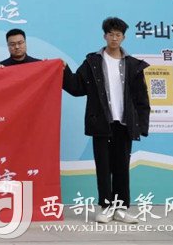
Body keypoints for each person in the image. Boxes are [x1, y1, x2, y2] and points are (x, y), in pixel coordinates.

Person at [63, 17, 150, 224]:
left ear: (123, 37)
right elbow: (76, 87)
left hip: (124, 124)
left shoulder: (133, 65)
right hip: (101, 123)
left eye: (118, 35)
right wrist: (63, 70)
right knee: (103, 167)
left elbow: (142, 98)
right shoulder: (93, 62)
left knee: (122, 168)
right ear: (105, 36)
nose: (114, 38)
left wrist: (140, 125)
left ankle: (120, 209)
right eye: (111, 34)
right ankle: (105, 207)